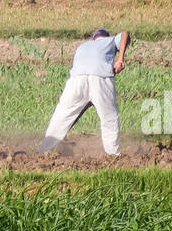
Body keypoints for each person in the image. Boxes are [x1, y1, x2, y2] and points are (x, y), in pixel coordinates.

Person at [39, 28, 130, 157]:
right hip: (101, 77)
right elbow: (125, 34)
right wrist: (120, 58)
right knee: (109, 117)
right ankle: (113, 154)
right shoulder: (109, 41)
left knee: (63, 115)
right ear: (105, 36)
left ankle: (45, 150)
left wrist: (68, 126)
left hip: (76, 80)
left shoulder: (82, 47)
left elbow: (82, 104)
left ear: (93, 38)